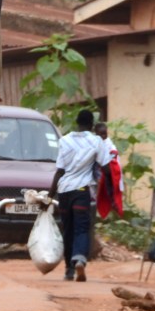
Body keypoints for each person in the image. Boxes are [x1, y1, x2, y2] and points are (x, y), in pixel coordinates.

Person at [52, 109, 110, 282]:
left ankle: (69, 270)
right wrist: (109, 189)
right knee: (82, 227)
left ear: (77, 123)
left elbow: (59, 171)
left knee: (68, 229)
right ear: (92, 125)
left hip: (64, 191)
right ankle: (79, 259)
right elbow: (106, 167)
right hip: (82, 191)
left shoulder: (64, 140)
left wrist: (49, 195)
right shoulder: (96, 141)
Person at [94, 121, 123, 218]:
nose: (103, 136)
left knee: (109, 184)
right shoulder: (94, 143)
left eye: (105, 133)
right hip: (96, 170)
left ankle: (113, 201)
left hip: (106, 170)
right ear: (96, 134)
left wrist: (112, 158)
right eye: (101, 134)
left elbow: (113, 153)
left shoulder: (109, 144)